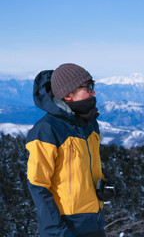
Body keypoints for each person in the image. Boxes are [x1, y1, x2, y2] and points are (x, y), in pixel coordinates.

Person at [26, 63, 106, 236]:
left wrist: (104, 185)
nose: (93, 93)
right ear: (68, 95)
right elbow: (38, 185)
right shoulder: (46, 130)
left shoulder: (91, 124)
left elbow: (85, 171)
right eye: (88, 88)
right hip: (66, 228)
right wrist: (56, 230)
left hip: (95, 224)